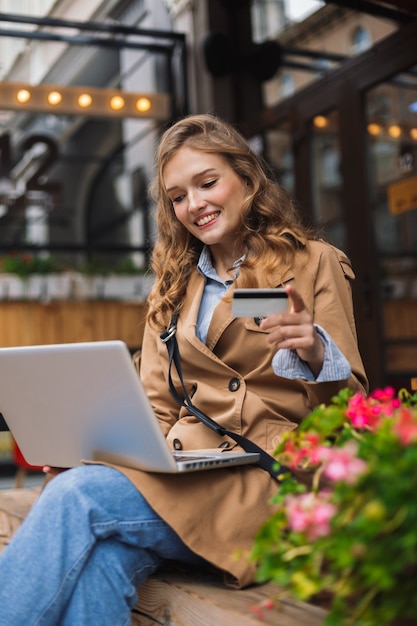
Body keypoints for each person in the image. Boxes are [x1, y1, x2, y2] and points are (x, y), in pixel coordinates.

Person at [0, 114, 368, 625]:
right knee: (99, 559)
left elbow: (351, 409)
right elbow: (154, 407)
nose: (194, 204)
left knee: (75, 498)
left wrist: (314, 352)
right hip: (180, 475)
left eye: (207, 182)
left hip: (263, 482)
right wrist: (94, 455)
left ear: (246, 177)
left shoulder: (313, 263)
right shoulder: (172, 287)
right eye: (177, 196)